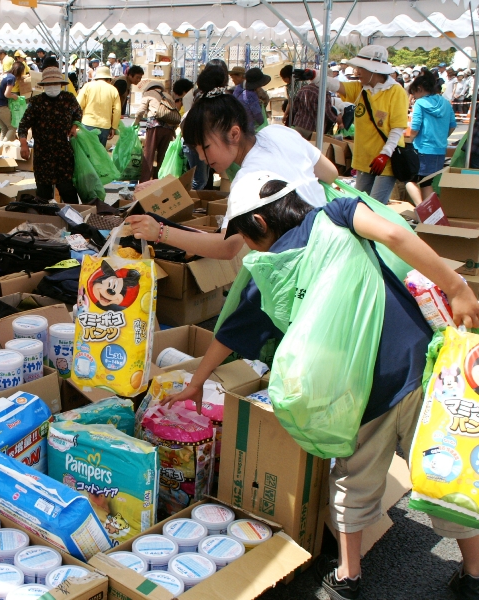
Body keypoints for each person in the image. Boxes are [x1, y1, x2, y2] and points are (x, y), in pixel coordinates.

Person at [158, 171, 479, 600]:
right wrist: (456, 287)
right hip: (415, 366)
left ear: (258, 225)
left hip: (357, 397)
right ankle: (474, 573)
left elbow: (229, 334)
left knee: (351, 480)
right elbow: (397, 235)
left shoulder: (267, 274)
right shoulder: (338, 213)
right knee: (441, 469)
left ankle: (348, 575)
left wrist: (197, 382)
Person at [127, 64, 337, 260]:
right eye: (197, 150)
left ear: (234, 134)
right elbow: (330, 173)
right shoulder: (280, 132)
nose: (202, 158)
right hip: (333, 242)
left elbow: (227, 247)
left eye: (205, 147)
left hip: (307, 262)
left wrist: (160, 232)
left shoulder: (249, 181)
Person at [323, 44, 409, 204]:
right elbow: (335, 85)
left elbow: (397, 128)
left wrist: (385, 154)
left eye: (361, 68)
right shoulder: (361, 88)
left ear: (374, 70)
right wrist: (313, 75)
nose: (357, 72)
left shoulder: (396, 92)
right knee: (360, 204)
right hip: (364, 159)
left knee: (376, 206)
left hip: (385, 160)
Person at [17, 67, 82, 204]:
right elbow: (23, 125)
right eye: (49, 85)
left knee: (67, 190)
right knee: (43, 195)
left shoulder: (69, 99)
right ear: (44, 86)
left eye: (55, 84)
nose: (52, 87)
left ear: (61, 85)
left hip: (63, 153)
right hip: (43, 155)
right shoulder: (36, 102)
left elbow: (78, 114)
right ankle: (45, 222)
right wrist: (23, 144)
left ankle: (75, 221)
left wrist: (74, 126)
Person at [405, 69, 456, 206]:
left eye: (414, 93)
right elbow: (452, 125)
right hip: (439, 150)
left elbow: (415, 128)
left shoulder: (420, 103)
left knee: (410, 181)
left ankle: (423, 211)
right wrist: (441, 137)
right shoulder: (445, 102)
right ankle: (431, 215)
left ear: (420, 89)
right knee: (427, 183)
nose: (414, 97)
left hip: (422, 149)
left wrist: (409, 141)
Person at [134, 81, 178, 182]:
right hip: (169, 128)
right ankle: (159, 180)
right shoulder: (168, 95)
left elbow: (141, 110)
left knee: (149, 155)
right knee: (163, 156)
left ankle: (144, 182)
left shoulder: (148, 94)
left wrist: (136, 122)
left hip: (154, 126)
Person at [76, 66, 121, 147]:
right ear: (109, 79)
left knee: (87, 152)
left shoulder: (87, 86)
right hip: (104, 126)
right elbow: (117, 111)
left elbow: (78, 104)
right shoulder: (113, 89)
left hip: (87, 124)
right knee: (100, 154)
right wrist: (114, 127)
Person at [0, 61, 26, 141]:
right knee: (12, 127)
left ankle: (1, 149)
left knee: (4, 128)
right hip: (0, 105)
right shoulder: (12, 78)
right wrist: (15, 96)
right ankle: (3, 146)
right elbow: (7, 94)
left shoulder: (4, 75)